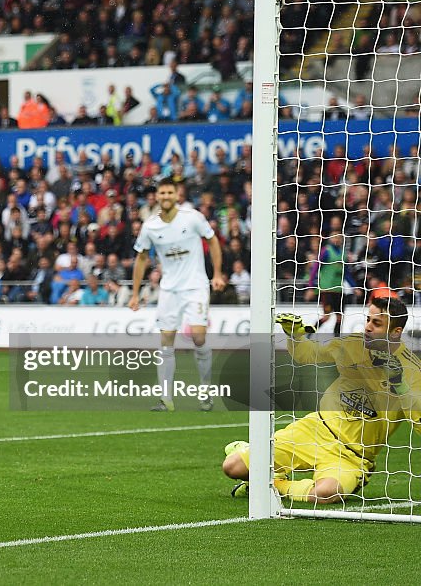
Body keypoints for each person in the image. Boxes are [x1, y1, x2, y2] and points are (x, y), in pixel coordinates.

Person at [223, 299, 421, 503]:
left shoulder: (412, 370)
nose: (368, 327)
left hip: (351, 454)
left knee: (326, 493)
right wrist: (295, 335)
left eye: (377, 323)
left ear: (396, 332)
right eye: (368, 319)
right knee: (233, 467)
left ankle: (271, 484)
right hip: (315, 429)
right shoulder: (353, 344)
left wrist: (400, 386)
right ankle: (249, 457)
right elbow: (308, 354)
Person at [128, 179, 224, 412]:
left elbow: (212, 240)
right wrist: (135, 293)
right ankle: (166, 399)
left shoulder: (192, 217)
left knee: (199, 338)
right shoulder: (150, 226)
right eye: (162, 192)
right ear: (157, 196)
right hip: (169, 289)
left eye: (170, 192)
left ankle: (205, 391)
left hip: (195, 286)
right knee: (166, 341)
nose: (166, 196)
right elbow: (141, 258)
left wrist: (218, 273)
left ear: (177, 194)